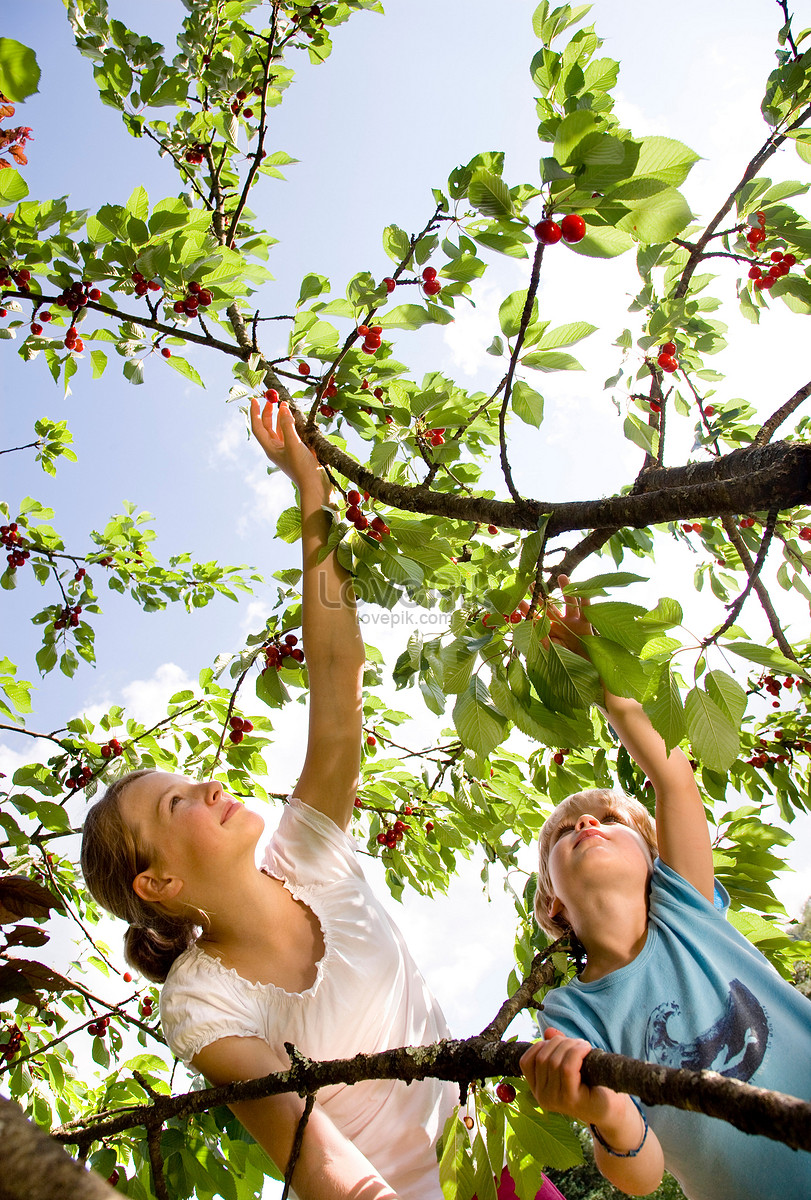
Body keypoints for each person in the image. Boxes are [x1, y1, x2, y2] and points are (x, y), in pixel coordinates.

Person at [81, 398, 457, 1200]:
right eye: (176, 803)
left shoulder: (309, 853)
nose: (208, 784)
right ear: (158, 884)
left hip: (487, 1162)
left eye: (189, 779)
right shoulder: (200, 1003)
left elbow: (334, 672)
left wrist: (308, 486)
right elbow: (314, 1158)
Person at [519, 576, 811, 1200]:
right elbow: (642, 1175)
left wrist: (598, 673)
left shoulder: (686, 906)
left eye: (609, 820)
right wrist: (611, 1115)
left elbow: (673, 778)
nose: (587, 822)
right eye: (566, 831)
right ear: (551, 904)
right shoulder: (572, 1014)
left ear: (656, 862)